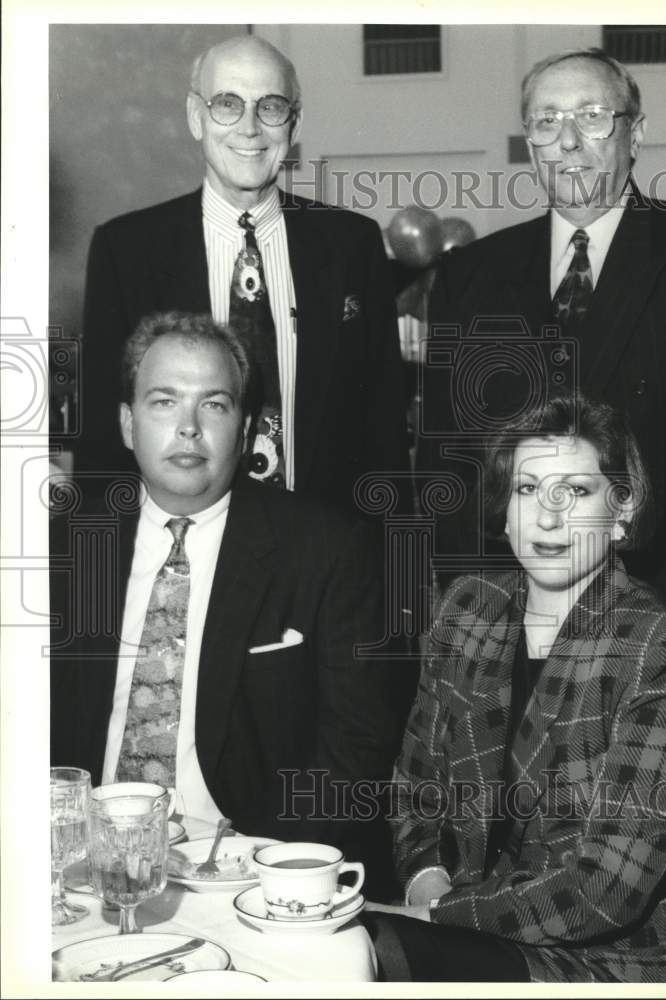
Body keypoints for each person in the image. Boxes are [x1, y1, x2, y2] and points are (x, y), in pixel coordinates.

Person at [418, 47, 666, 698]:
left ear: (636, 133)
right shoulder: (470, 275)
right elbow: (448, 462)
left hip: (665, 625)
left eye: (592, 116)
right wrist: (483, 611)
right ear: (530, 141)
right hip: (511, 635)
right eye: (546, 121)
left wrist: (658, 620)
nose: (568, 141)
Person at [50, 312, 410, 896]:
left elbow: (358, 743)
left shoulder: (327, 548)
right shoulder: (64, 544)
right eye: (163, 402)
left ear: (244, 430)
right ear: (126, 423)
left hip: (248, 865)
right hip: (82, 866)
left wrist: (273, 869)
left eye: (214, 405)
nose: (188, 428)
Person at [362, 393, 666, 982]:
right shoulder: (468, 607)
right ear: (505, 513)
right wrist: (426, 877)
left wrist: (438, 914)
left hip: (594, 960)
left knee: (369, 954)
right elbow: (415, 784)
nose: (548, 518)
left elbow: (605, 887)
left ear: (622, 511)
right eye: (528, 491)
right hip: (453, 924)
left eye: (575, 492)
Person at [77, 34, 409, 513]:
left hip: (325, 555)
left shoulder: (353, 244)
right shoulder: (126, 249)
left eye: (270, 107)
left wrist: (397, 573)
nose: (250, 129)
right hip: (182, 547)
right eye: (228, 104)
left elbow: (384, 433)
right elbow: (103, 438)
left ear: (295, 124)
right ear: (196, 117)